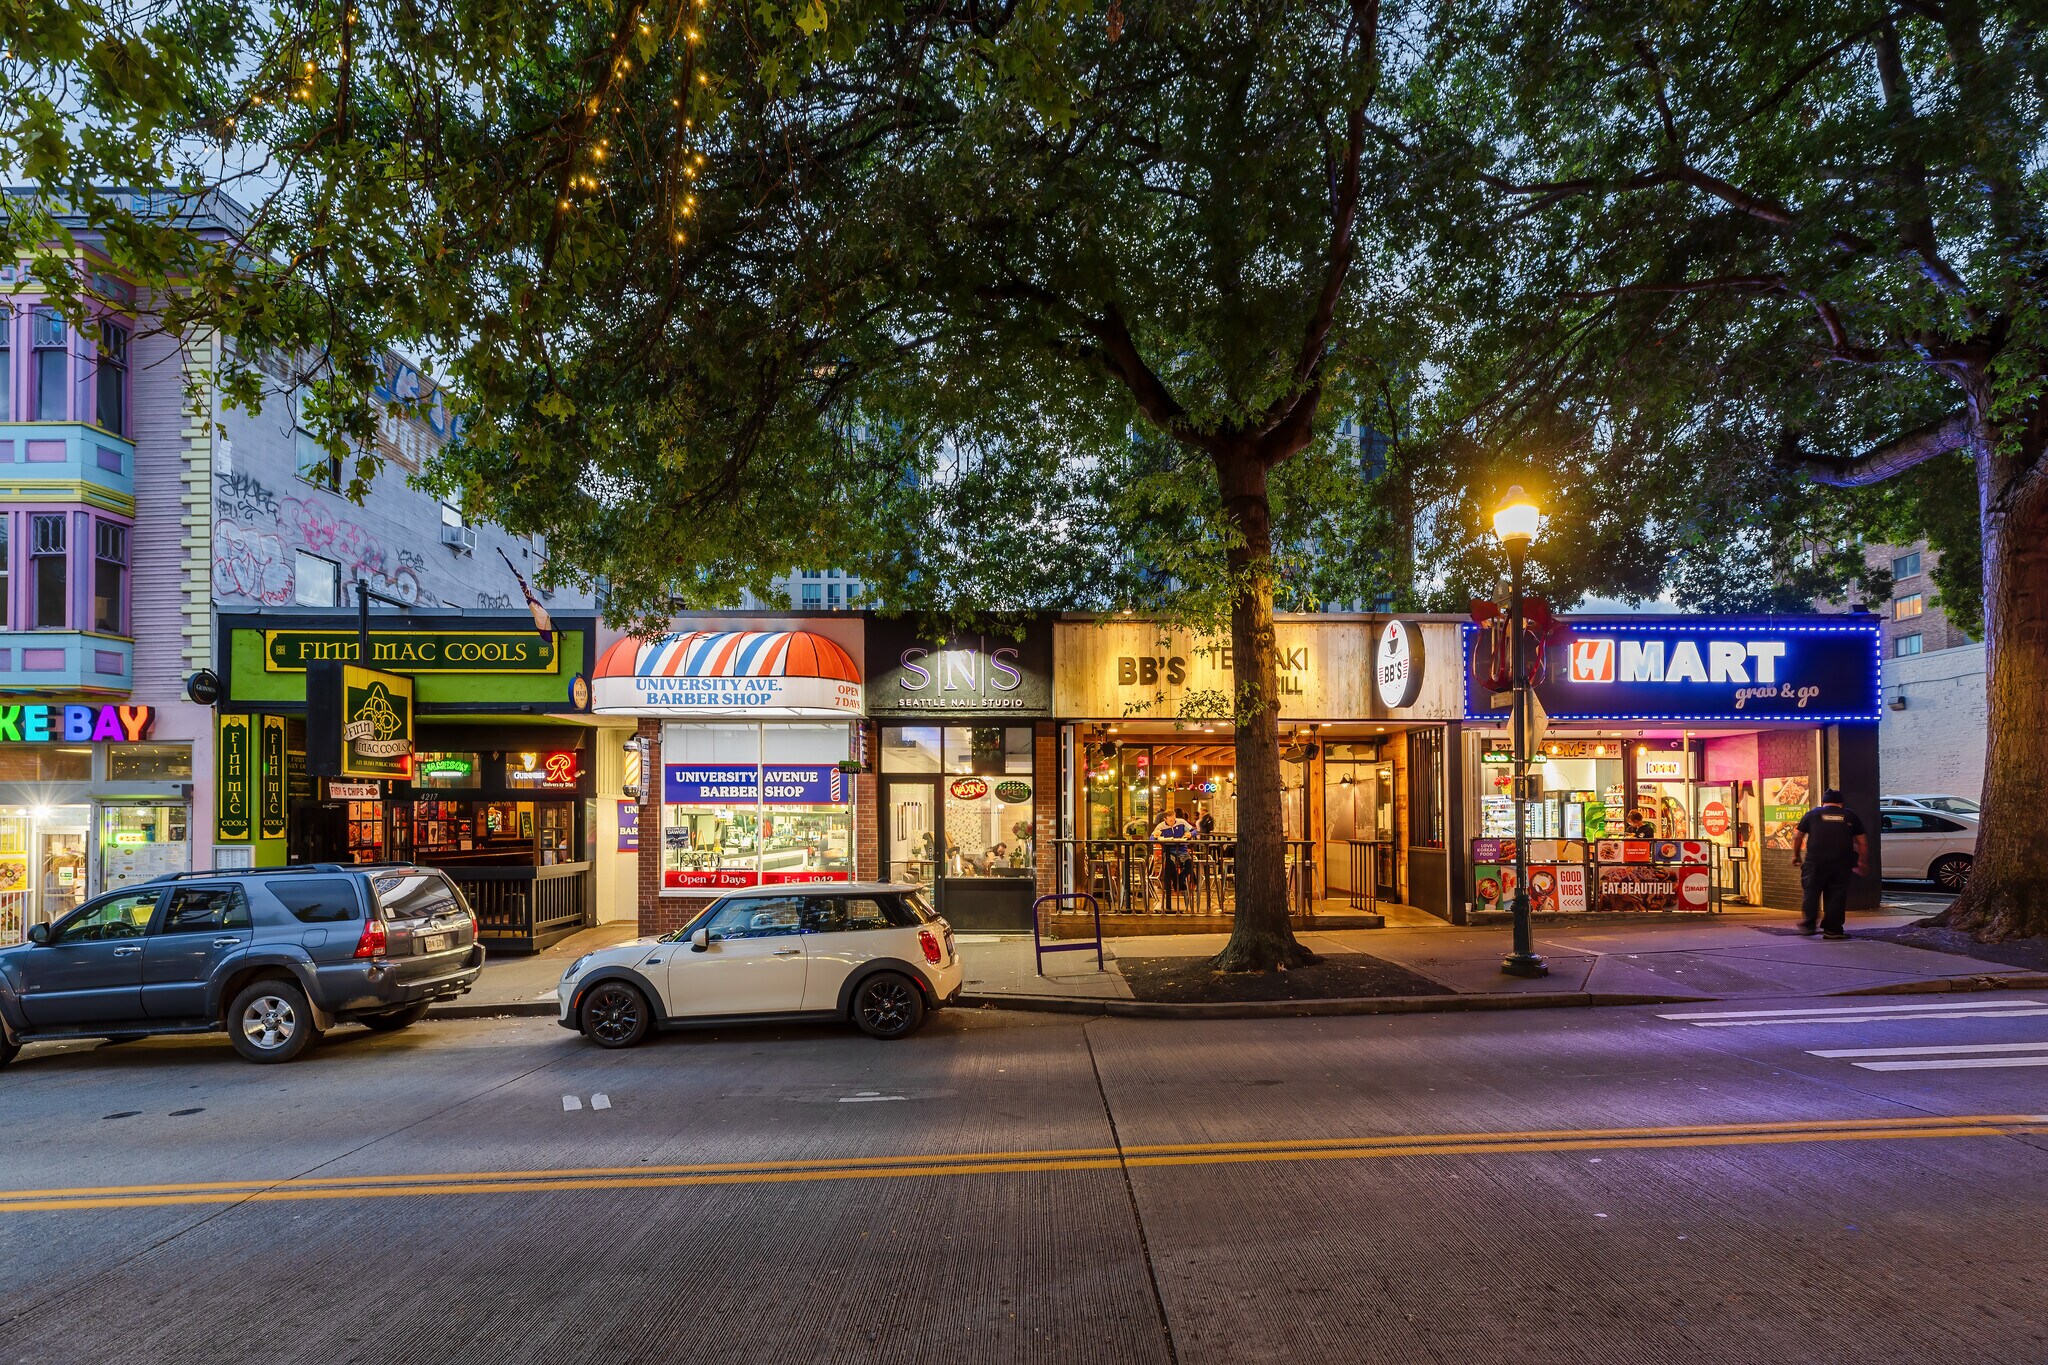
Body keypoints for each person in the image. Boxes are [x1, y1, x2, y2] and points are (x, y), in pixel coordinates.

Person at [1790, 789, 1867, 939]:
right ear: (1841, 803)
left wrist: (1796, 855)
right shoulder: (1850, 815)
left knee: (1811, 893)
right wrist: (1862, 861)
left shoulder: (1812, 814)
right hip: (1841, 864)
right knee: (1836, 895)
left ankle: (1808, 925)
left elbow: (1797, 836)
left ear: (1823, 802)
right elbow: (1862, 842)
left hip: (1814, 863)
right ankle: (1832, 930)